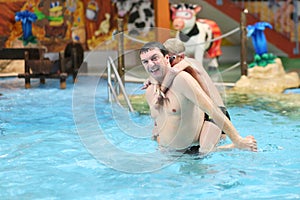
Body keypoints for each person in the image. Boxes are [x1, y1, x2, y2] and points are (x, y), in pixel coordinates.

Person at [139, 41, 257, 154]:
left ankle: (232, 146)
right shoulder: (152, 88)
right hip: (197, 113)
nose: (151, 64)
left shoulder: (187, 67)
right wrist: (151, 80)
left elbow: (213, 110)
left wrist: (238, 140)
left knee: (205, 151)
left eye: (155, 58)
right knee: (198, 150)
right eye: (145, 62)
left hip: (215, 111)